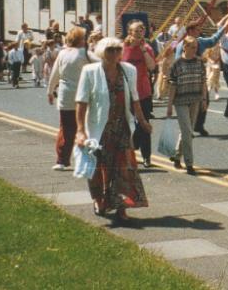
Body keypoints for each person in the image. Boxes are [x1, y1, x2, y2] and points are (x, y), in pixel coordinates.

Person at [75, 37, 150, 220]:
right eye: (110, 50)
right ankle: (99, 199)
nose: (115, 54)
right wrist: (80, 130)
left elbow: (135, 100)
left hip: (122, 127)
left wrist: (142, 121)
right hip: (100, 129)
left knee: (123, 168)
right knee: (99, 167)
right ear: (101, 52)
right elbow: (81, 102)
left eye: (117, 50)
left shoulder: (128, 70)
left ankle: (121, 207)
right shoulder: (90, 71)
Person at [48, 27, 92, 171]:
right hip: (83, 96)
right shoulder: (84, 53)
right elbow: (102, 63)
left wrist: (50, 91)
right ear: (81, 40)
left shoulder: (62, 53)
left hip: (65, 95)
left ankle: (62, 160)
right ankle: (88, 159)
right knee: (86, 127)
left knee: (66, 128)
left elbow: (55, 74)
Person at [166, 35, 207, 174]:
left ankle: (177, 156)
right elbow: (172, 86)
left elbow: (203, 82)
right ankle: (189, 163)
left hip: (195, 99)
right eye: (192, 47)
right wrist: (169, 105)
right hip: (180, 100)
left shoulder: (200, 62)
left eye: (196, 47)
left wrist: (204, 99)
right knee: (188, 131)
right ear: (185, 47)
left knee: (186, 131)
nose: (195, 49)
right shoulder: (177, 64)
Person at [121, 22, 157, 167]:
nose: (139, 33)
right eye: (136, 30)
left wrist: (143, 50)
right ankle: (128, 154)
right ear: (130, 32)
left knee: (144, 124)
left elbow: (152, 67)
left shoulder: (147, 48)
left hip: (143, 91)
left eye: (141, 30)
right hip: (126, 91)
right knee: (127, 125)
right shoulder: (123, 48)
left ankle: (146, 156)